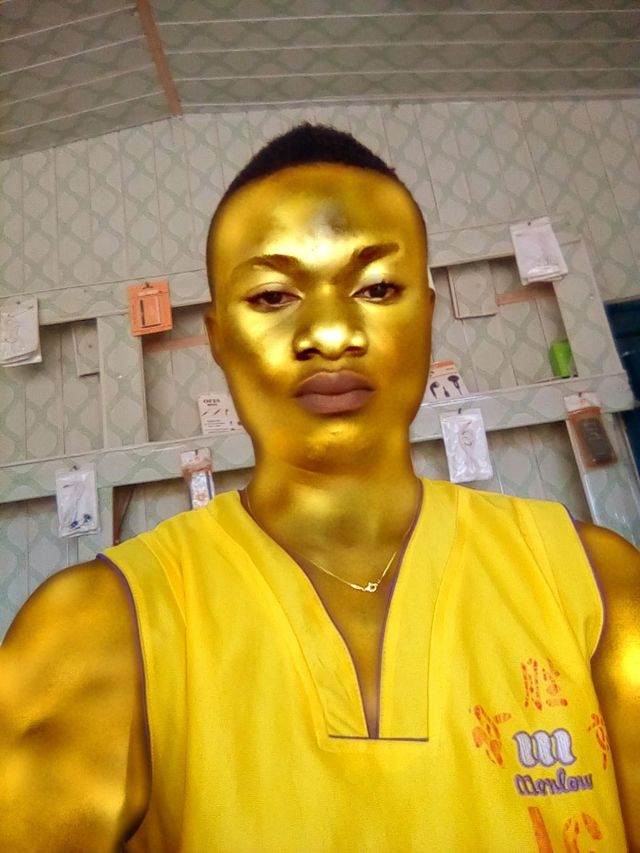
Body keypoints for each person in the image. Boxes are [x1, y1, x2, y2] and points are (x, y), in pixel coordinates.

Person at [0, 124, 638, 852]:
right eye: (273, 295)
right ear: (217, 337)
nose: (331, 334)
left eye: (378, 288)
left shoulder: (596, 587)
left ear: (428, 316)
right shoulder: (97, 626)